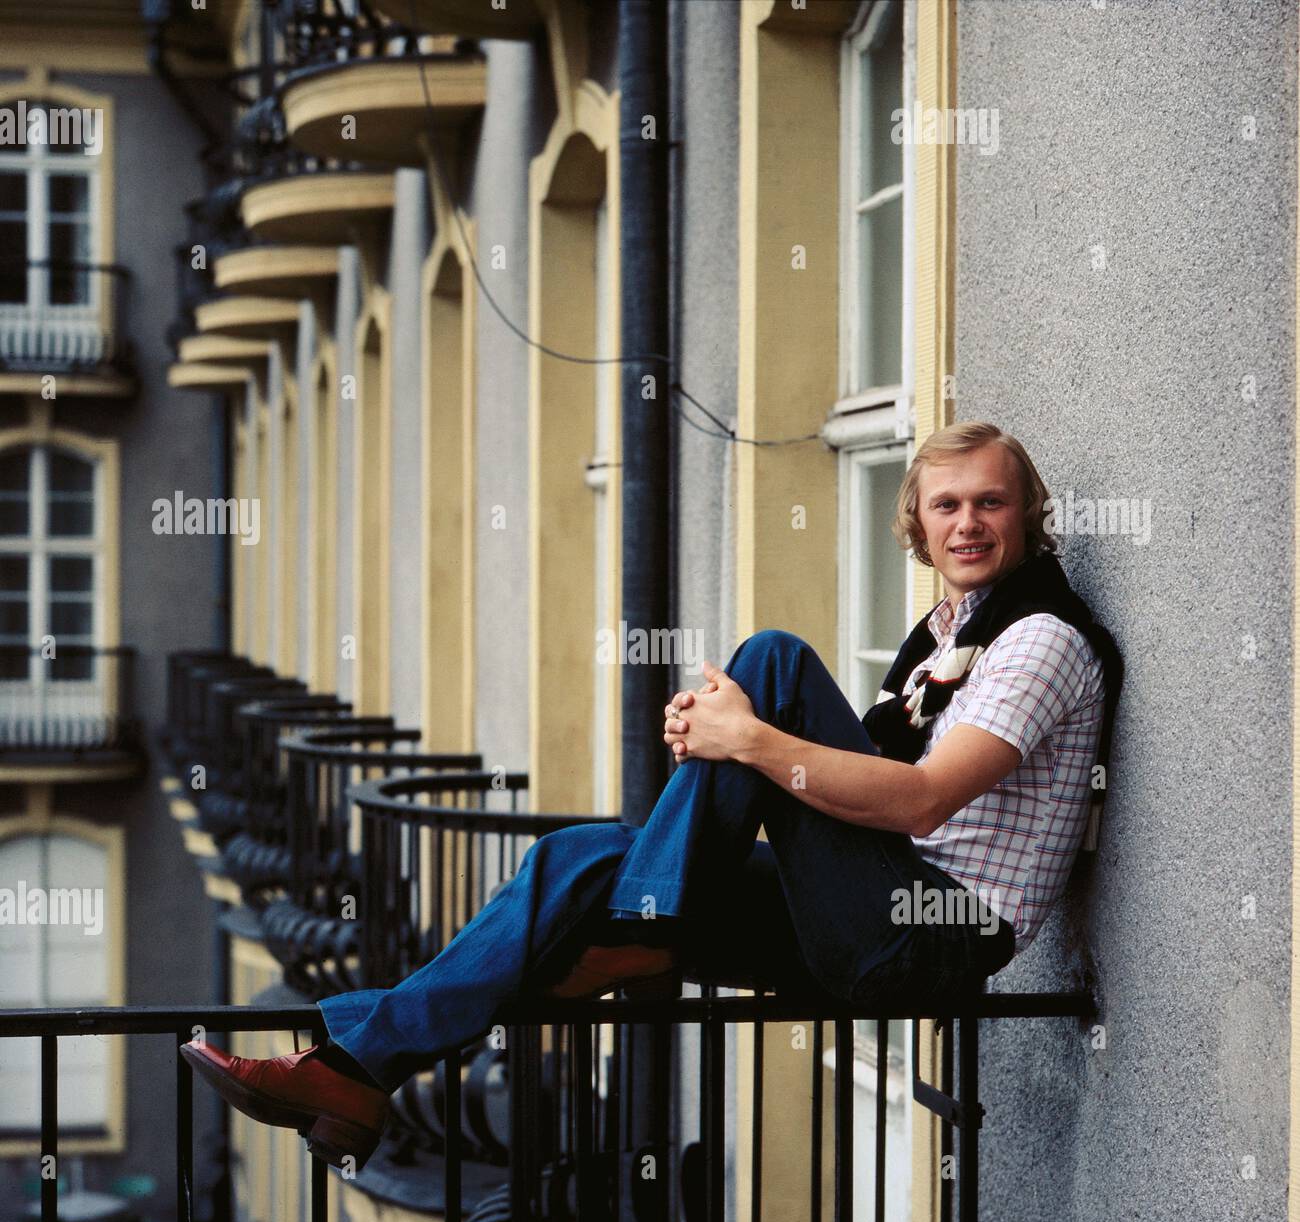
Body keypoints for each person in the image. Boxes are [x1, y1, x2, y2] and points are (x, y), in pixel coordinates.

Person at [181, 421, 1122, 1172]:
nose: (967, 522)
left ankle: (646, 920)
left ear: (1026, 514)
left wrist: (744, 739)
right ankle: (353, 1071)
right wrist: (730, 750)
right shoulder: (946, 631)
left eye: (991, 502)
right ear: (916, 523)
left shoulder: (1039, 638)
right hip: (868, 908)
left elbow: (917, 801)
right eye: (947, 504)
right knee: (573, 858)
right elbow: (849, 780)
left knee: (773, 667)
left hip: (928, 932)